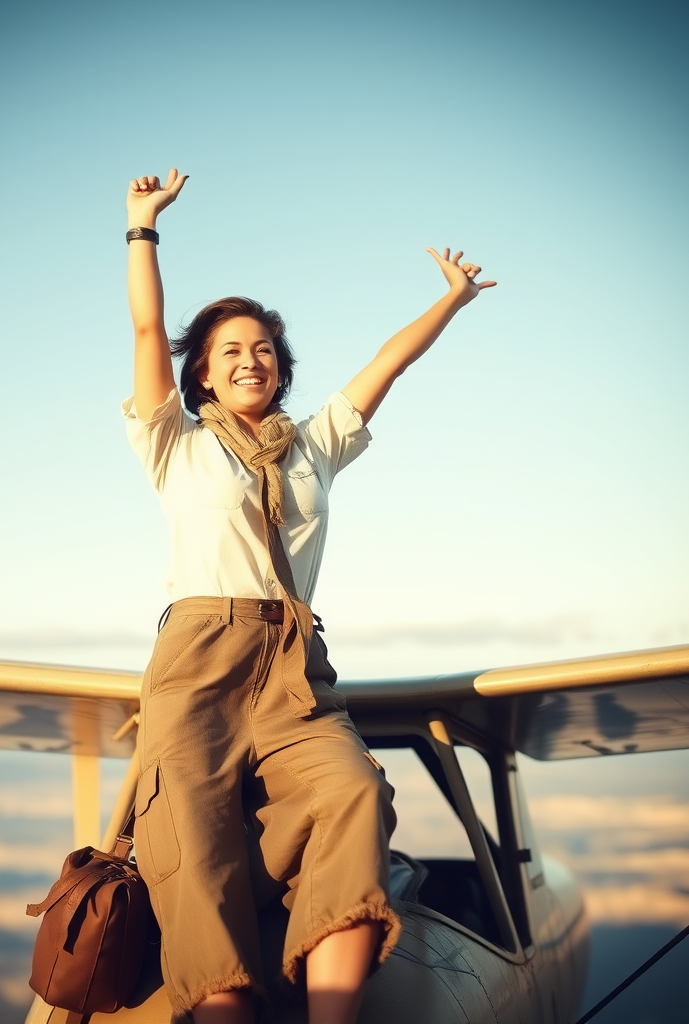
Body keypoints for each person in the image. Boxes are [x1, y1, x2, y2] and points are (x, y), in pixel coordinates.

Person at [123, 169, 495, 1024]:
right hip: (196, 662)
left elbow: (387, 363)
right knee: (194, 842)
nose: (249, 360)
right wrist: (142, 229)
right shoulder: (173, 442)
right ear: (204, 378)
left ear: (280, 369)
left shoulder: (315, 445)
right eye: (229, 352)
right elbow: (147, 324)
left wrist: (454, 299)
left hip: (293, 662)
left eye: (262, 349)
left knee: (355, 794)